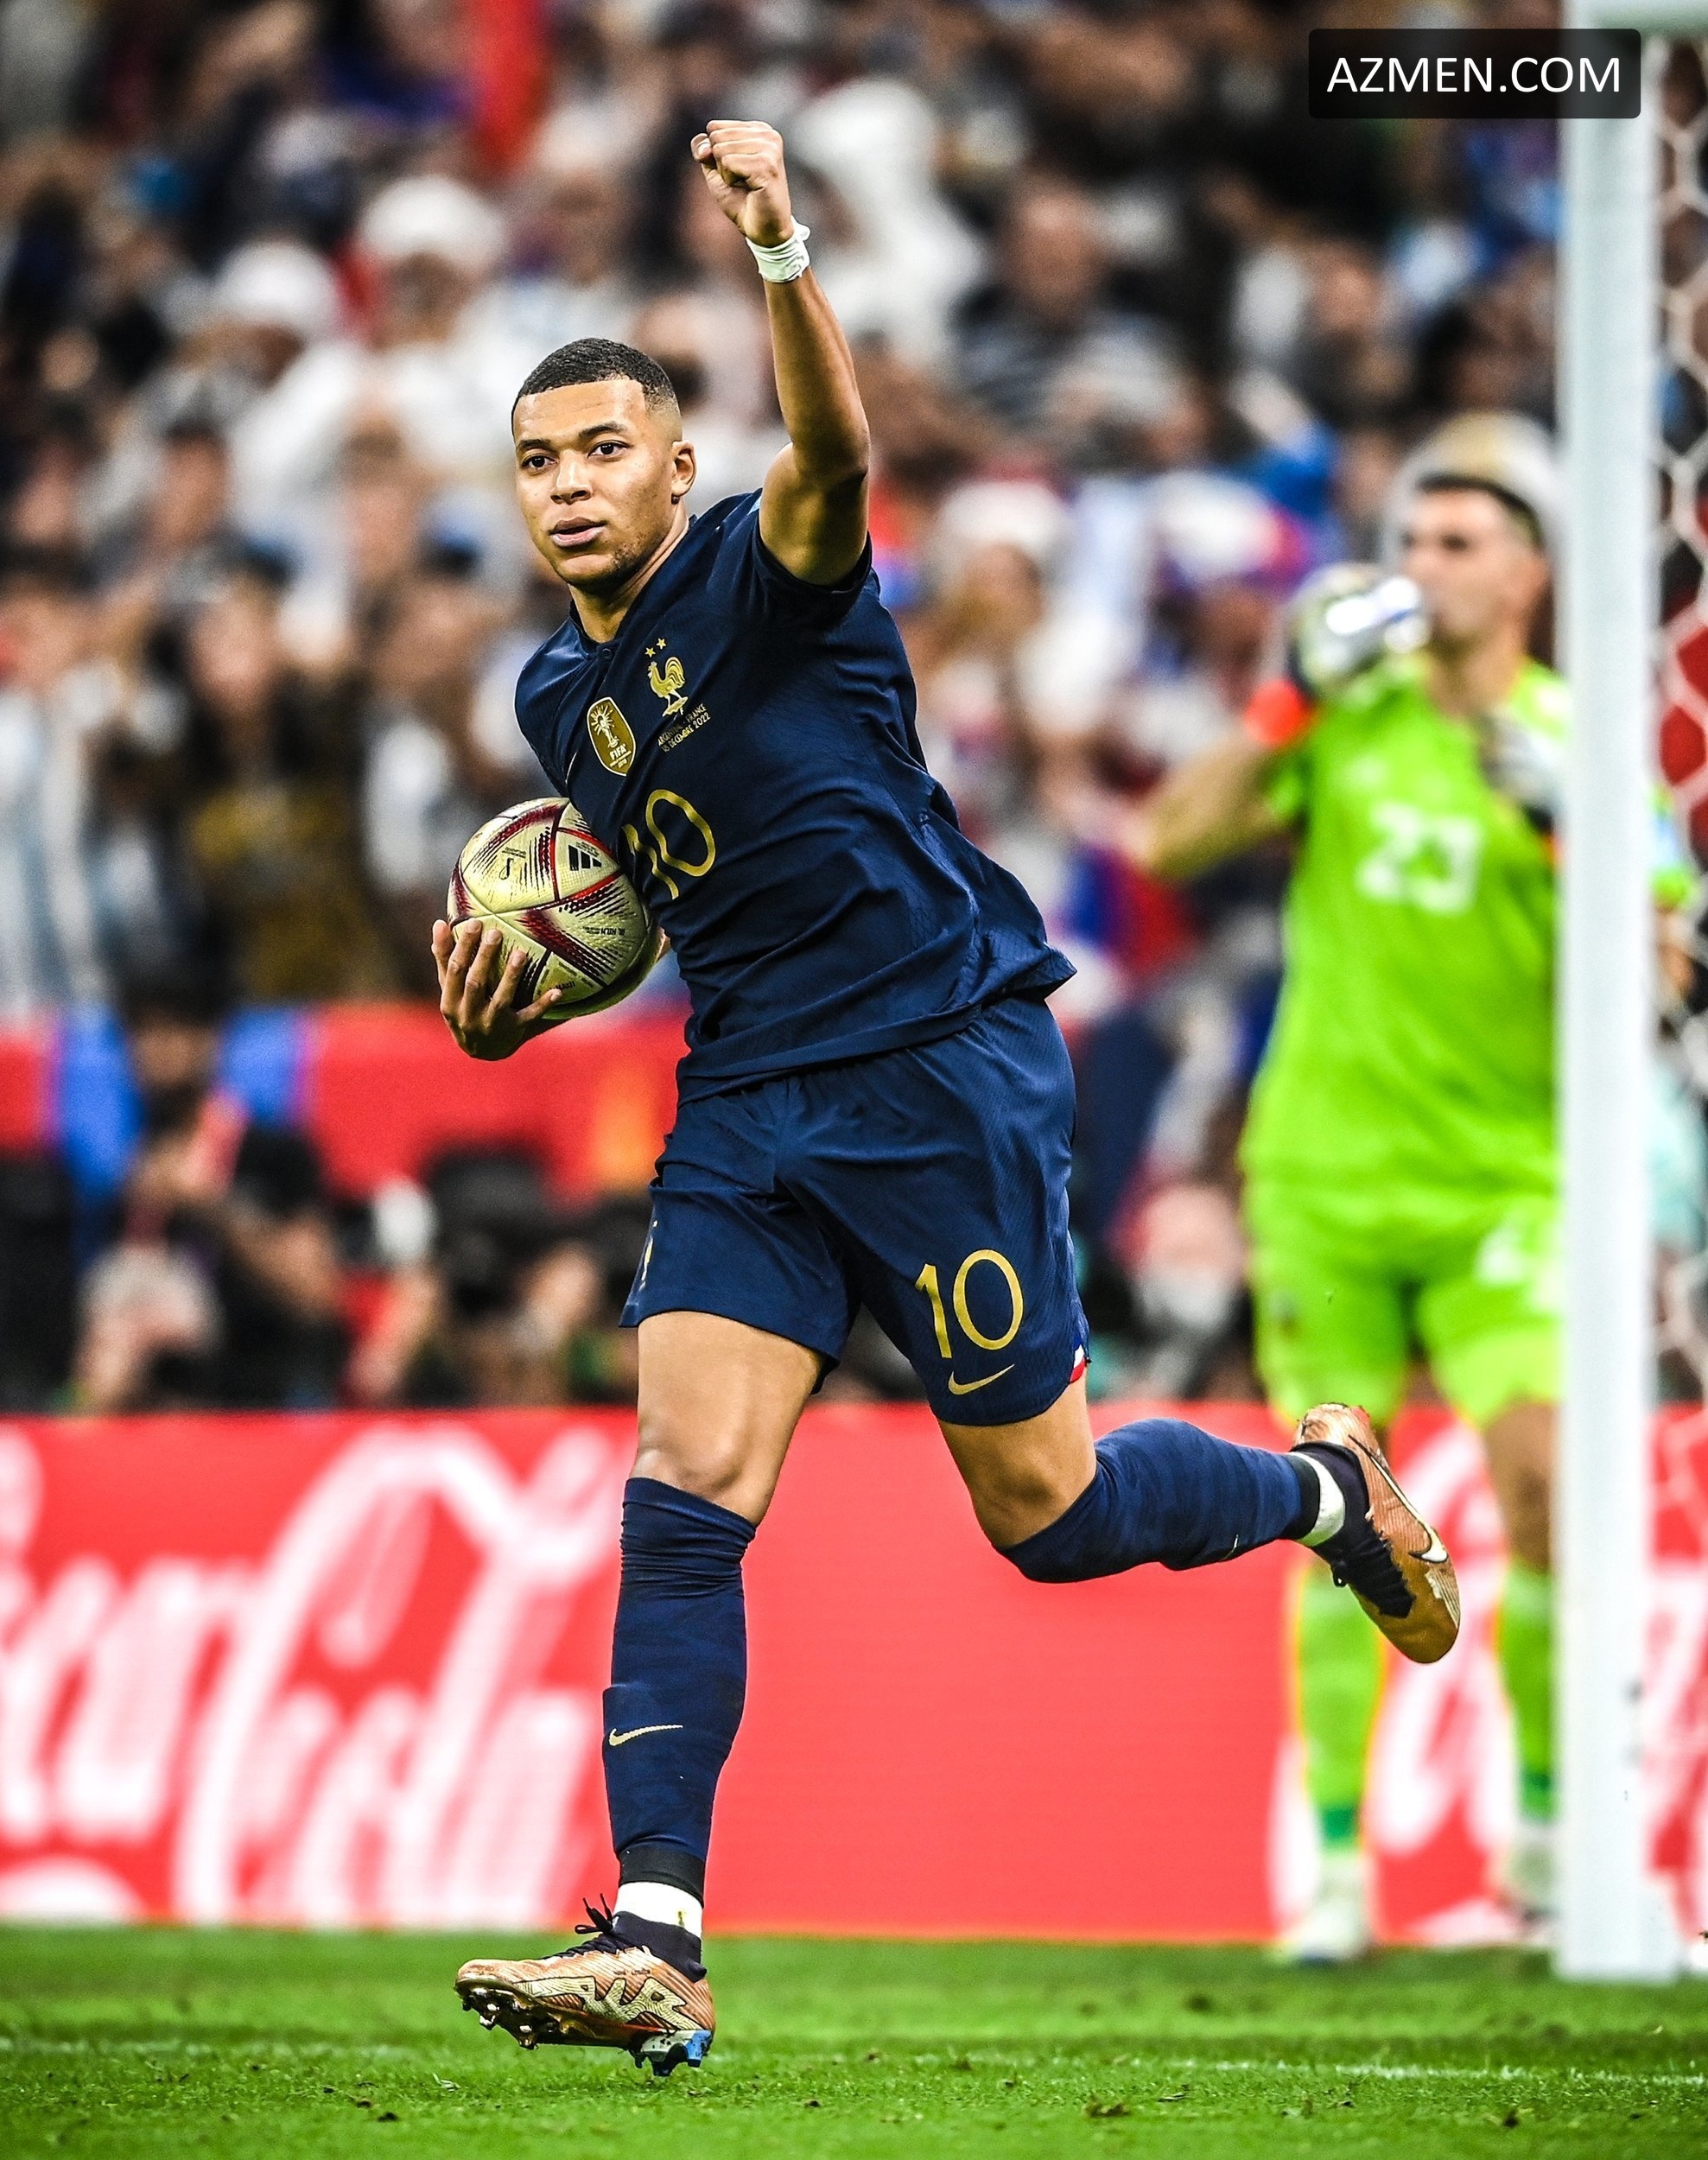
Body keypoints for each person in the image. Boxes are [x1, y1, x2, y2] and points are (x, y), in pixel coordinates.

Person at [435, 121, 1459, 2074]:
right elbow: (663, 903)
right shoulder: (554, 706)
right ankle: (656, 1930)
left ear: (674, 466)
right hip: (749, 1096)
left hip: (936, 1063)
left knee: (1046, 1515)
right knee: (682, 1489)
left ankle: (1327, 1491)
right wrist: (516, 1006)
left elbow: (832, 455)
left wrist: (780, 249)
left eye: (603, 451)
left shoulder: (765, 567)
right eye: (539, 460)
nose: (568, 486)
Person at [1133, 414, 1589, 1959]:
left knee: (1547, 1486)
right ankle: (1332, 1867)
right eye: (1412, 539)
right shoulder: (1350, 713)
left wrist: (1571, 829)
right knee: (1341, 1503)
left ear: (1526, 573)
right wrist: (1287, 698)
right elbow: (1168, 840)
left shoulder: (1576, 747)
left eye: (1461, 541)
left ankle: (1544, 1842)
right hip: (1324, 1177)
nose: (1424, 565)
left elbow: (1669, 961)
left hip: (1506, 1186)